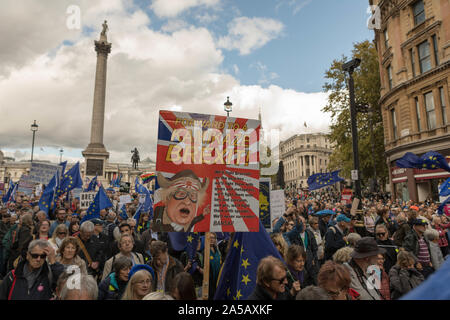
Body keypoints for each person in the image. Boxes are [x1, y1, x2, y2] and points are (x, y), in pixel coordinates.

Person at [0, 239, 64, 300]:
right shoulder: (12, 276)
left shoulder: (49, 275)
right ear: (28, 255)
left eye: (42, 256)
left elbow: (63, 283)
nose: (38, 259)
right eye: (35, 255)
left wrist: (53, 260)